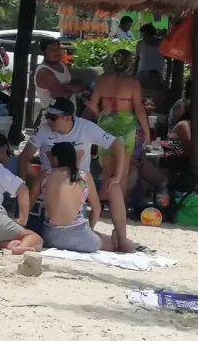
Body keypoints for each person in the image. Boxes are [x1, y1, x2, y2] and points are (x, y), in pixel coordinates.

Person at [18, 97, 132, 253]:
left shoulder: (87, 128)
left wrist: (116, 177)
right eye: (47, 116)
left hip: (79, 180)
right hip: (57, 182)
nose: (48, 121)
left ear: (67, 117)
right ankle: (96, 235)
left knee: (114, 188)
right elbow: (24, 157)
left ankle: (122, 238)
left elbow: (118, 144)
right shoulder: (43, 130)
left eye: (53, 117)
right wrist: (22, 183)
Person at [85, 48, 150, 198]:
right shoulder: (133, 82)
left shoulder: (102, 79)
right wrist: (146, 131)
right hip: (125, 126)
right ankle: (120, 205)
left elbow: (92, 104)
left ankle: (103, 204)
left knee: (107, 170)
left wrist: (102, 118)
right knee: (123, 171)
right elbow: (139, 109)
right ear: (129, 63)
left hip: (105, 124)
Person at [40, 142, 117, 253]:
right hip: (79, 235)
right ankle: (116, 240)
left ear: (56, 159)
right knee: (109, 244)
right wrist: (90, 229)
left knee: (98, 236)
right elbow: (97, 209)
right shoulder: (84, 176)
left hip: (51, 237)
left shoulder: (44, 175)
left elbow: (29, 203)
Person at [34, 38, 82, 111]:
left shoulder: (63, 65)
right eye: (53, 49)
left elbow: (78, 86)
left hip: (69, 115)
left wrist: (65, 87)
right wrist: (70, 87)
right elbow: (61, 98)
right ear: (43, 52)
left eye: (59, 48)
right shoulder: (44, 71)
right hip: (54, 116)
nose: (58, 52)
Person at [134, 23, 166, 90]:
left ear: (152, 35)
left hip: (156, 75)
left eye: (145, 35)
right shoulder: (140, 43)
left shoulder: (162, 43)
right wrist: (134, 75)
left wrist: (167, 78)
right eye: (142, 35)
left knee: (152, 94)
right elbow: (137, 59)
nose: (143, 37)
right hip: (141, 74)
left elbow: (169, 60)